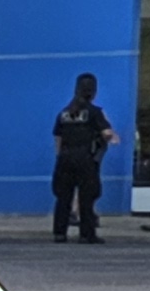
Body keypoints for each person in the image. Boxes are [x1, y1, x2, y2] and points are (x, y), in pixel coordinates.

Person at [50, 74, 116, 241]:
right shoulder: (94, 112)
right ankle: (87, 234)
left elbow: (58, 138)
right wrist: (112, 136)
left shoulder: (64, 113)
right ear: (93, 92)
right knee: (86, 197)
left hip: (65, 157)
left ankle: (60, 232)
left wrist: (60, 157)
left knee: (64, 197)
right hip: (85, 158)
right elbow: (107, 133)